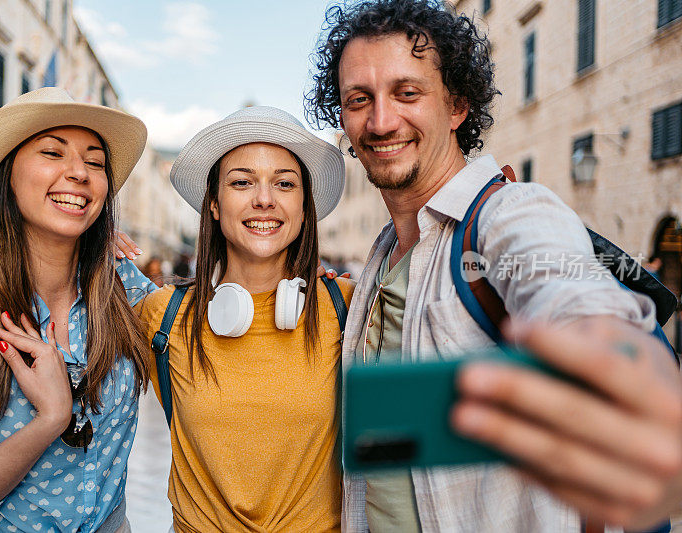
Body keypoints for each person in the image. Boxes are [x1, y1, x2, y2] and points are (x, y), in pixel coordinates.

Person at [305, 1, 682, 531]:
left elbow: (569, 294)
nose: (381, 120)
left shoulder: (512, 212)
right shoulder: (383, 252)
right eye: (358, 99)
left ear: (457, 106)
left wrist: (623, 370)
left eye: (407, 92)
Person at [0, 87, 155, 532]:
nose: (78, 172)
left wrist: (295, 273)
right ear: (8, 176)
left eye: (95, 162)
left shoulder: (122, 287)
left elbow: (203, 327)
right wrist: (51, 419)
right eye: (52, 153)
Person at [138, 106, 353, 532]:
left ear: (305, 208)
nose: (264, 199)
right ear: (214, 205)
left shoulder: (348, 306)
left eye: (285, 184)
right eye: (242, 182)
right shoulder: (163, 314)